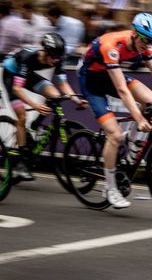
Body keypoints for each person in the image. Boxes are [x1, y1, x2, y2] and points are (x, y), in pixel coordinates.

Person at [78, 13, 152, 208]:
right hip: (91, 82)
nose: (148, 44)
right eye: (146, 39)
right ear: (134, 33)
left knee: (150, 99)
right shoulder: (112, 46)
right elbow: (122, 90)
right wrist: (139, 118)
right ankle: (110, 187)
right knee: (113, 135)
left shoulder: (145, 46)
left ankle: (132, 140)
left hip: (109, 75)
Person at [1, 33, 88, 180]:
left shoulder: (57, 58)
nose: (55, 61)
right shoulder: (26, 57)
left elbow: (63, 84)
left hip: (27, 75)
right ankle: (21, 162)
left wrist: (76, 100)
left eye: (58, 58)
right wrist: (35, 105)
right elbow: (17, 89)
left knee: (54, 95)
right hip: (11, 76)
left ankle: (35, 125)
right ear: (45, 52)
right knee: (21, 117)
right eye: (53, 57)